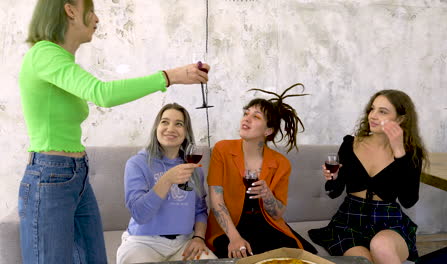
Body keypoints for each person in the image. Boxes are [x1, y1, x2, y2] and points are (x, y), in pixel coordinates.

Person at [18, 0, 210, 263]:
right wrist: (169, 76)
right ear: (70, 9)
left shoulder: (62, 60)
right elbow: (102, 94)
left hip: (76, 173)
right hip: (50, 175)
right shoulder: (44, 53)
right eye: (91, 10)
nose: (97, 19)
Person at [308, 89, 427, 263]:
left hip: (388, 221)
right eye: (372, 109)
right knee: (361, 260)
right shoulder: (350, 144)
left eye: (382, 111)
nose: (373, 115)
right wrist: (332, 179)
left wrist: (399, 152)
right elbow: (334, 192)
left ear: (400, 119)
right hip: (350, 220)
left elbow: (408, 201)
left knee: (382, 247)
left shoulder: (410, 154)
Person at [205, 84, 317, 258]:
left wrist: (268, 196)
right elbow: (216, 200)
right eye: (246, 113)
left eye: (256, 116)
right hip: (230, 227)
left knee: (299, 257)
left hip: (266, 224)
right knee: (246, 256)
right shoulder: (222, 149)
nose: (246, 119)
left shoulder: (281, 163)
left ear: (268, 130)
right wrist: (235, 238)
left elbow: (277, 213)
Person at [116, 103, 217, 263]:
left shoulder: (194, 169)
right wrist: (167, 179)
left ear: (185, 132)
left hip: (184, 243)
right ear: (156, 127)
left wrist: (198, 237)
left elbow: (200, 210)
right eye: (165, 122)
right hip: (143, 242)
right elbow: (140, 214)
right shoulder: (137, 163)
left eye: (179, 124)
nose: (170, 128)